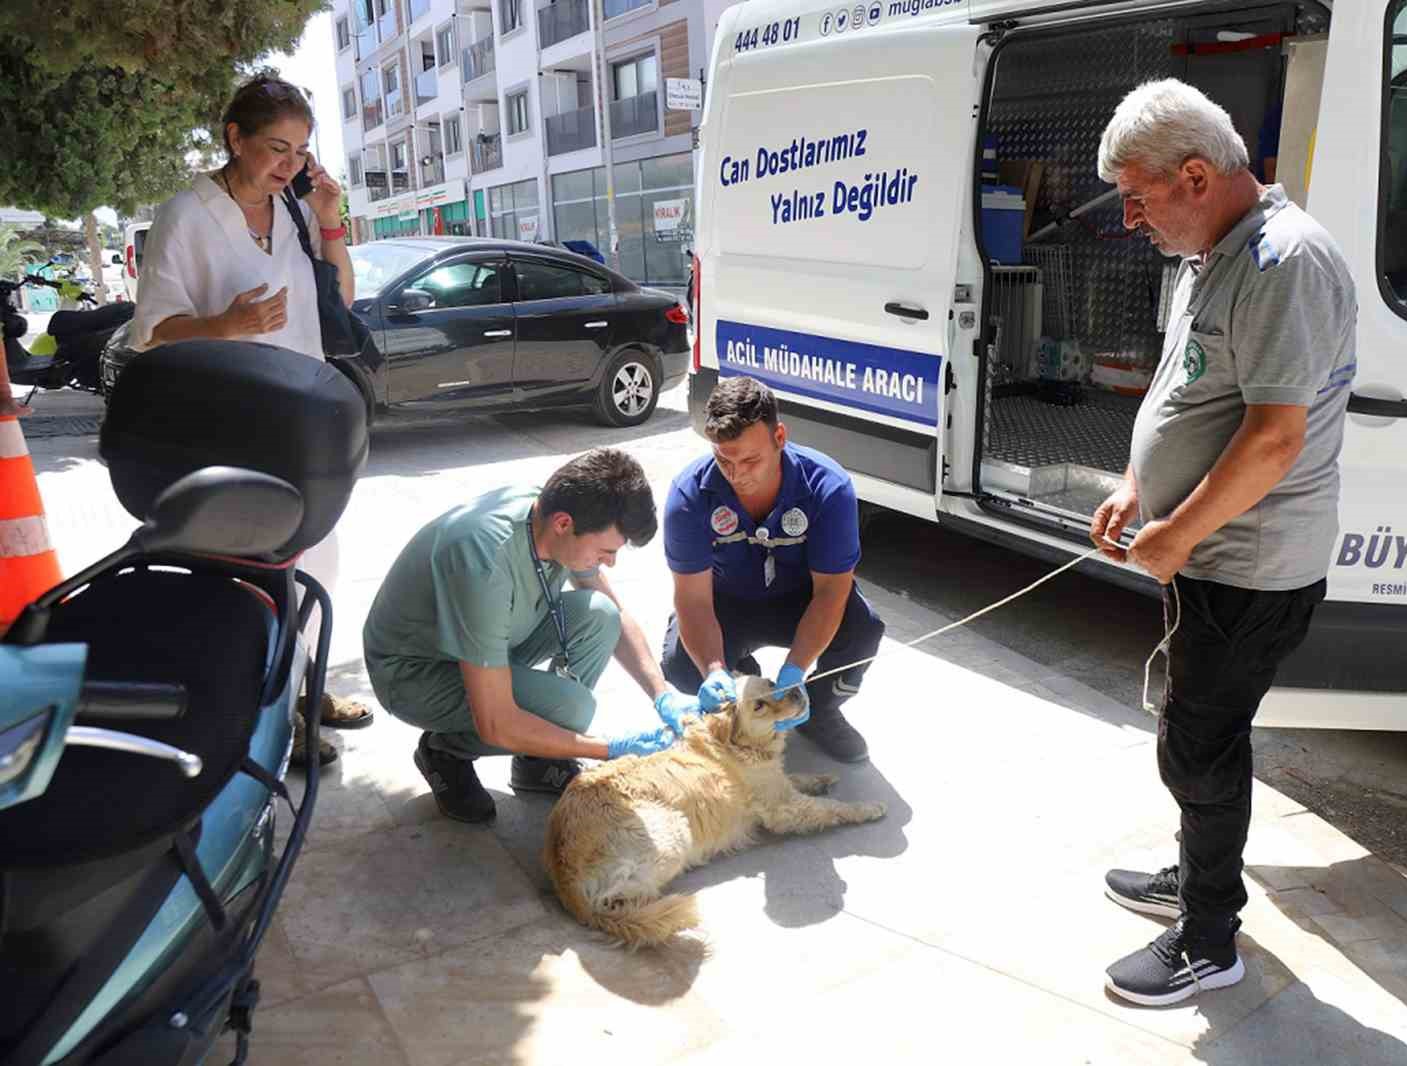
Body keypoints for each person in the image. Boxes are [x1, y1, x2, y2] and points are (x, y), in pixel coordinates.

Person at [1088, 79, 1356, 1006]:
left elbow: (1276, 435)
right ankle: (1195, 876)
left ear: (1195, 175)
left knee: (1197, 745)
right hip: (1208, 554)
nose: (1129, 219)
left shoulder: (1285, 263)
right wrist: (1136, 488)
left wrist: (1177, 533)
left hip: (1252, 566)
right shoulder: (1214, 252)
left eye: (1136, 197)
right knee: (1193, 732)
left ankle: (1209, 936)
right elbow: (1187, 391)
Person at [129, 74, 370, 767]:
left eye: (299, 150)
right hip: (230, 422)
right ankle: (269, 719)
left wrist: (326, 217)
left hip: (303, 414)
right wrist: (224, 325)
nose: (288, 165)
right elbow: (152, 331)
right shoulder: (187, 216)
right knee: (252, 572)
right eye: (274, 148)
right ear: (233, 137)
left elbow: (339, 304)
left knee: (317, 561)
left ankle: (305, 688)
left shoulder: (291, 209)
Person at [362, 448, 701, 824]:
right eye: (605, 551)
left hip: (487, 638)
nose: (610, 563)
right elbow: (495, 721)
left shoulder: (553, 511)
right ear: (563, 524)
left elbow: (616, 614)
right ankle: (445, 751)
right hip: (415, 672)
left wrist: (662, 694)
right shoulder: (484, 560)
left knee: (600, 615)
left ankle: (537, 759)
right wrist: (610, 750)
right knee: (571, 709)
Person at [660, 376, 885, 763]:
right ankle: (744, 684)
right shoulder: (690, 495)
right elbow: (693, 600)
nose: (737, 474)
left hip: (802, 601)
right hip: (725, 602)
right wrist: (715, 670)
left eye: (750, 460)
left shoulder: (828, 488)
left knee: (862, 632)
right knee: (682, 665)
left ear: (779, 436)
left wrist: (796, 667)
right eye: (723, 460)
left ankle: (817, 708)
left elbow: (832, 590)